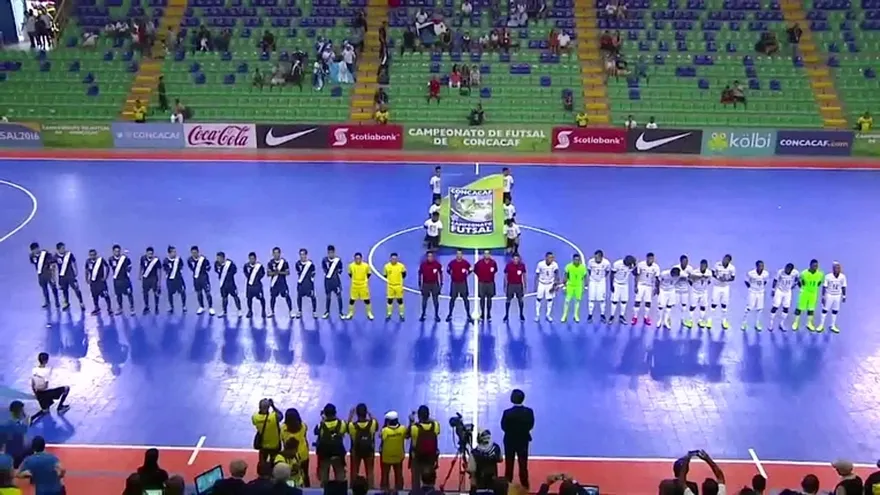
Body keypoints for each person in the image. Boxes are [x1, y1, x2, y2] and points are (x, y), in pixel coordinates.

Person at [500, 389, 533, 488]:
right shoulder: (528, 412)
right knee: (523, 464)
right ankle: (525, 485)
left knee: (509, 464)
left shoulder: (507, 413)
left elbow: (503, 426)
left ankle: (507, 485)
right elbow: (530, 425)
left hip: (510, 441)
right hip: (523, 441)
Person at [315, 403, 347, 486]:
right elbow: (343, 432)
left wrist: (323, 419)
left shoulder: (320, 426)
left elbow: (317, 433)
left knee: (324, 478)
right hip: (338, 454)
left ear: (325, 413)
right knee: (340, 476)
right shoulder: (342, 424)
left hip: (325, 454)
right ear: (335, 413)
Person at [408, 406, 440, 490]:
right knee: (429, 479)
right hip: (431, 457)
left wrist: (411, 422)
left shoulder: (414, 428)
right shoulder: (435, 425)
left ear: (419, 416)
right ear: (428, 415)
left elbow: (407, 435)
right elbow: (437, 430)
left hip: (417, 458)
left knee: (416, 480)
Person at [348, 404, 378, 488]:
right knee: (370, 471)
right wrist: (370, 414)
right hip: (369, 451)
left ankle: (352, 489)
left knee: (354, 471)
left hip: (355, 451)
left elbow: (348, 427)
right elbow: (376, 424)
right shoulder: (372, 424)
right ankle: (371, 489)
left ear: (357, 414)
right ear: (366, 413)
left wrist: (350, 416)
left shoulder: (352, 426)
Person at [280, 409, 310, 487]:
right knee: (305, 474)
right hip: (303, 455)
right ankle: (307, 490)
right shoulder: (303, 426)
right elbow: (305, 437)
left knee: (290, 475)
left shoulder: (283, 429)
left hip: (290, 457)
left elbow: (283, 441)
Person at [792, 259, 823, 331]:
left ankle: (809, 323)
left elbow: (819, 283)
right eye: (814, 266)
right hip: (804, 293)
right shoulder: (804, 273)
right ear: (810, 265)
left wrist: (813, 289)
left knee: (811, 309)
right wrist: (802, 289)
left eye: (816, 266)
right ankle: (795, 323)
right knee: (799, 308)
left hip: (813, 294)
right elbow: (799, 282)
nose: (815, 267)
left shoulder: (820, 274)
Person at [53, 243, 84, 312]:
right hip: (62, 276)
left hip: (71, 275)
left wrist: (76, 270)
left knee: (76, 289)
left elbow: (74, 261)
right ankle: (66, 303)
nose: (64, 249)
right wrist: (54, 277)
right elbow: (53, 266)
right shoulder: (55, 257)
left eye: (64, 248)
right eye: (62, 248)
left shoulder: (69, 255)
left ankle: (81, 303)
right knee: (64, 290)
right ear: (58, 250)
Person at [379, 411, 405, 491]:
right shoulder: (402, 429)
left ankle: (384, 490)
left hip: (386, 457)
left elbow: (380, 436)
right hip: (398, 456)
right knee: (399, 475)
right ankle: (400, 490)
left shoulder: (385, 431)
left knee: (385, 475)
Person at [632, 252, 660, 326]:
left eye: (652, 259)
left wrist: (656, 288)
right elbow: (637, 276)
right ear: (647, 258)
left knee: (648, 303)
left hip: (649, 286)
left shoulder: (656, 267)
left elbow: (657, 279)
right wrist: (635, 286)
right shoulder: (641, 265)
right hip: (640, 285)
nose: (651, 260)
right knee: (637, 301)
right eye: (650, 258)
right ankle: (635, 317)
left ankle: (646, 317)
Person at [29, 242, 60, 310]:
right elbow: (33, 262)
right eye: (33, 250)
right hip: (40, 274)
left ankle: (57, 301)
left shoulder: (45, 253)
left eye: (36, 249)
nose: (35, 251)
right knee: (44, 288)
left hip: (48, 274)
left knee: (53, 287)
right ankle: (47, 301)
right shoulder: (32, 256)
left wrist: (50, 267)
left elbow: (52, 260)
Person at [817, 261, 846, 333]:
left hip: (837, 295)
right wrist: (823, 296)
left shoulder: (843, 277)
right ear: (833, 269)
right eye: (836, 268)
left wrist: (844, 296)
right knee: (825, 310)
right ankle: (821, 325)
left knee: (835, 310)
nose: (838, 269)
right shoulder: (828, 276)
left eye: (839, 268)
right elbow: (824, 286)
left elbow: (843, 286)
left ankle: (832, 325)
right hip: (829, 295)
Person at [768, 263, 798, 331]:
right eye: (786, 268)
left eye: (788, 269)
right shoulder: (780, 272)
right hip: (779, 291)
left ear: (791, 270)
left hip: (788, 292)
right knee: (775, 307)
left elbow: (797, 278)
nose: (786, 270)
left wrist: (795, 284)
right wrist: (773, 290)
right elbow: (775, 280)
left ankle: (782, 324)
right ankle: (771, 323)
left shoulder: (795, 273)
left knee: (786, 308)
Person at [107, 244, 135, 315]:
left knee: (129, 294)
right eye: (115, 251)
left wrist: (127, 272)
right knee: (118, 295)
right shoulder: (110, 259)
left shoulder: (125, 258)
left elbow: (130, 266)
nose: (117, 253)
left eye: (118, 251)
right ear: (113, 252)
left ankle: (132, 308)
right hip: (117, 281)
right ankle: (120, 308)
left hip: (125, 280)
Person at [709, 254, 736, 329]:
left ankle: (723, 321)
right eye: (724, 259)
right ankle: (710, 320)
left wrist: (726, 279)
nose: (724, 260)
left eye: (726, 260)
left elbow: (733, 278)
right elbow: (712, 273)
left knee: (724, 305)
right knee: (714, 304)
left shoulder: (732, 268)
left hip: (725, 288)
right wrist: (718, 277)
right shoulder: (717, 264)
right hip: (716, 287)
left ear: (729, 261)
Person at [253, 399, 283, 465]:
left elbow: (255, 422)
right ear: (268, 407)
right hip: (275, 445)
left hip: (263, 445)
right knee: (275, 462)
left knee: (262, 463)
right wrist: (273, 406)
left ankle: (263, 473)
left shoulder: (255, 417)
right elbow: (281, 415)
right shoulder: (274, 417)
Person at [446, 249, 473, 322]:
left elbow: (470, 270)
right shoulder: (452, 263)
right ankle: (450, 314)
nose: (459, 255)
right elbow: (448, 270)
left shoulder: (465, 263)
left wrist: (466, 274)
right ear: (456, 255)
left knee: (465, 299)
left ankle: (468, 315)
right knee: (452, 299)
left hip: (463, 284)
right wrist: (453, 276)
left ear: (462, 255)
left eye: (460, 254)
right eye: (458, 254)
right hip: (454, 283)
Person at [742, 260, 770, 331]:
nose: (761, 267)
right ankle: (744, 323)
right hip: (752, 292)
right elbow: (746, 281)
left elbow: (765, 281)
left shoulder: (766, 274)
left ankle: (757, 323)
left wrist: (760, 288)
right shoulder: (751, 273)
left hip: (761, 293)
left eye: (762, 266)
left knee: (760, 309)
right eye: (760, 266)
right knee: (749, 308)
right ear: (756, 266)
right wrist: (751, 288)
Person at [559, 253, 587, 323]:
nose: (576, 261)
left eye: (578, 260)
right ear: (573, 260)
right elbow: (565, 276)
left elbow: (585, 276)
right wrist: (564, 285)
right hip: (570, 286)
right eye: (575, 260)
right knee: (567, 301)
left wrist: (585, 285)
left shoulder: (582, 267)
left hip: (578, 286)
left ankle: (576, 315)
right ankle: (564, 315)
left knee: (577, 301)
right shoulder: (568, 266)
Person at [345, 252, 373, 320]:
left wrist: (364, 280)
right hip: (354, 286)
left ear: (361, 258)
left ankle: (369, 313)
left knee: (366, 300)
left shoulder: (366, 266)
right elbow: (350, 274)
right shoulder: (351, 266)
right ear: (354, 259)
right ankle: (350, 313)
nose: (358, 260)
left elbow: (369, 274)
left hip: (363, 286)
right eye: (356, 258)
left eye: (359, 258)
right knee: (352, 300)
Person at [85, 248, 113, 315]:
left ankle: (109, 309)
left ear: (96, 254)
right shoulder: (88, 261)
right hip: (93, 282)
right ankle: (97, 308)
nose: (92, 256)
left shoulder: (100, 260)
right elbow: (86, 270)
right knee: (95, 296)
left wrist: (105, 277)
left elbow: (107, 267)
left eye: (94, 255)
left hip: (101, 282)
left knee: (106, 295)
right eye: (91, 255)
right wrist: (87, 279)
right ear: (89, 255)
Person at [214, 251, 243, 317]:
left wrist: (228, 276)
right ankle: (224, 311)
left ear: (223, 258)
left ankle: (239, 310)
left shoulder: (230, 264)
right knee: (224, 298)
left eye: (219, 258)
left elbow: (234, 271)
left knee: (235, 296)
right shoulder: (216, 264)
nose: (218, 260)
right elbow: (216, 270)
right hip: (223, 284)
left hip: (231, 284)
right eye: (217, 258)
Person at [188, 245, 214, 316]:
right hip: (196, 279)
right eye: (192, 253)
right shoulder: (189, 260)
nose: (194, 254)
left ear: (198, 252)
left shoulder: (203, 259)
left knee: (208, 293)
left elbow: (208, 268)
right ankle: (201, 307)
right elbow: (191, 268)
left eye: (195, 252)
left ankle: (211, 307)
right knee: (199, 293)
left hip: (204, 278)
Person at [586, 250, 611, 323]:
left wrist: (602, 278)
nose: (595, 259)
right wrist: (593, 277)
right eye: (595, 257)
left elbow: (607, 271)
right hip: (593, 281)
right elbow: (589, 270)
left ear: (601, 257)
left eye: (597, 257)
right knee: (591, 299)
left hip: (601, 282)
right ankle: (590, 315)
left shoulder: (606, 263)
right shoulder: (591, 262)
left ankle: (602, 315)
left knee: (602, 299)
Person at [2, 401, 30, 468]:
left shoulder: (4, 426)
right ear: (21, 412)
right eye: (22, 410)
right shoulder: (22, 427)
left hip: (9, 457)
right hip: (17, 457)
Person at [534, 252, 560, 322]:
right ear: (546, 258)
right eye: (549, 257)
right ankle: (537, 315)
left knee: (549, 299)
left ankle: (548, 315)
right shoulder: (540, 264)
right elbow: (537, 274)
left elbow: (557, 274)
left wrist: (555, 285)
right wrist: (535, 285)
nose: (551, 259)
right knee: (539, 299)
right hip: (541, 283)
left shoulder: (554, 265)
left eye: (552, 258)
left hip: (550, 284)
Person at [609, 255, 635, 324]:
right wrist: (611, 285)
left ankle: (621, 316)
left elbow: (634, 274)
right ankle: (612, 316)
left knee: (624, 301)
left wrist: (634, 267)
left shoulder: (631, 265)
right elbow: (612, 274)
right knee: (614, 301)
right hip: (616, 284)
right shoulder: (617, 264)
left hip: (625, 285)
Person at [418, 251, 443, 322]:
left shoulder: (437, 264)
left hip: (434, 284)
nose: (430, 258)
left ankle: (436, 315)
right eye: (428, 256)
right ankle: (423, 314)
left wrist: (441, 284)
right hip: (426, 284)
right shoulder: (423, 265)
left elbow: (441, 273)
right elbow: (420, 274)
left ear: (433, 257)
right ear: (426, 257)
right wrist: (420, 284)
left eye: (431, 256)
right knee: (424, 301)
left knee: (435, 301)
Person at [474, 250, 498, 322]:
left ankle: (488, 314)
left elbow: (495, 270)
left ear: (490, 255)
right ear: (483, 255)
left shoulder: (493, 263)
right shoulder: (479, 263)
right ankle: (482, 314)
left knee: (489, 299)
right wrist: (480, 276)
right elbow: (475, 270)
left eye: (488, 254)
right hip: (482, 283)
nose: (486, 255)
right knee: (482, 299)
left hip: (490, 283)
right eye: (485, 254)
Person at [322, 245, 345, 319]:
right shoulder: (324, 260)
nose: (331, 254)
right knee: (328, 297)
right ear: (327, 252)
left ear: (334, 252)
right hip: (328, 282)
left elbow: (340, 270)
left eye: (332, 252)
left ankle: (341, 312)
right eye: (329, 252)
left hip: (336, 282)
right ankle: (327, 311)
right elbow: (325, 270)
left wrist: (336, 272)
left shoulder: (338, 260)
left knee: (339, 297)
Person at [163, 246, 187, 314]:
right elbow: (165, 269)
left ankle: (184, 305)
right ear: (169, 253)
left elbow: (181, 268)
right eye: (173, 252)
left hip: (178, 279)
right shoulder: (165, 261)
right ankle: (171, 307)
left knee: (182, 292)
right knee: (170, 293)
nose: (175, 253)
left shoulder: (179, 259)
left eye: (175, 251)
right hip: (170, 280)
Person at [689, 260, 713, 329]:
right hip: (695, 292)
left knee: (703, 307)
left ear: (707, 266)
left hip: (704, 292)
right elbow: (690, 281)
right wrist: (695, 286)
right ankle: (690, 320)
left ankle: (700, 320)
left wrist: (703, 287)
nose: (703, 267)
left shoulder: (709, 273)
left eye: (704, 266)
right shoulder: (694, 272)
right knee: (692, 306)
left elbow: (709, 281)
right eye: (702, 265)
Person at [383, 253, 407, 321]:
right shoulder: (386, 266)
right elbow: (385, 275)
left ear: (397, 259)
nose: (394, 260)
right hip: (390, 286)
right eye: (392, 259)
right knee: (389, 300)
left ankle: (401, 314)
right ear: (390, 259)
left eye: (395, 259)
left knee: (400, 300)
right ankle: (389, 314)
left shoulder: (401, 266)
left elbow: (404, 274)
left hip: (398, 286)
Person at [503, 254, 527, 322]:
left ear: (519, 259)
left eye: (517, 259)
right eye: (514, 259)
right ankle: (506, 315)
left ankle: (521, 315)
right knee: (508, 300)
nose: (516, 260)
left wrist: (525, 286)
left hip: (519, 285)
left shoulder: (522, 265)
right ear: (512, 259)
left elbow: (524, 276)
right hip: (510, 285)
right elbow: (505, 276)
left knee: (520, 300)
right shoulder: (508, 265)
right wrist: (505, 286)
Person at [295, 248, 317, 318]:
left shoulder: (310, 264)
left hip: (309, 285)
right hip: (301, 284)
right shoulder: (297, 264)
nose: (302, 256)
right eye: (301, 255)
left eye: (303, 254)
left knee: (313, 297)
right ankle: (299, 311)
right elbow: (298, 272)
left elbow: (313, 273)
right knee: (299, 297)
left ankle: (314, 312)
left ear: (306, 255)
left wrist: (310, 281)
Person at [672, 255, 694, 327]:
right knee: (672, 305)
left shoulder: (690, 269)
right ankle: (668, 319)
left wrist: (690, 280)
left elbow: (692, 280)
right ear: (680, 261)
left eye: (687, 261)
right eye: (684, 262)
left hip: (685, 291)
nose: (685, 263)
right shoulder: (676, 268)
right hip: (676, 290)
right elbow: (672, 278)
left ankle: (682, 320)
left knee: (684, 306)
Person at [244, 252, 267, 319]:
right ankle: (250, 311)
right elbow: (246, 273)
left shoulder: (259, 266)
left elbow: (262, 274)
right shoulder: (246, 266)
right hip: (249, 286)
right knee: (249, 299)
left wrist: (256, 279)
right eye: (250, 259)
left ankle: (263, 311)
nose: (252, 260)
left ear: (255, 259)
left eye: (253, 259)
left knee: (261, 298)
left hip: (258, 286)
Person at [139, 247, 162, 314]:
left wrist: (159, 282)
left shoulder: (156, 260)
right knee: (145, 293)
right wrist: (139, 275)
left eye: (151, 254)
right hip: (145, 279)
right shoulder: (143, 258)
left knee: (156, 293)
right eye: (149, 253)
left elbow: (159, 270)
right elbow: (141, 266)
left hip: (154, 278)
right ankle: (146, 306)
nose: (150, 255)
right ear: (146, 253)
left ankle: (156, 307)